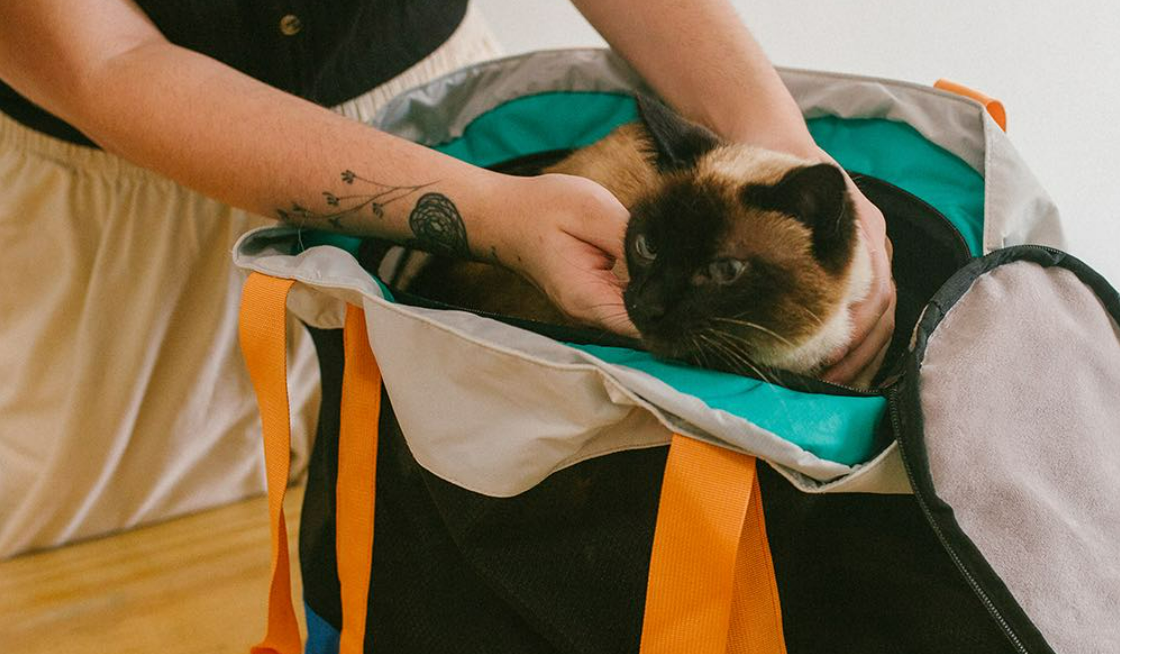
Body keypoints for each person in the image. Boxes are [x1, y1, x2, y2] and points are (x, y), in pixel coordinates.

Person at [0, 0, 894, 559]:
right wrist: (490, 216)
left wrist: (783, 149)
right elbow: (102, 62)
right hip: (117, 215)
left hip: (446, 130)